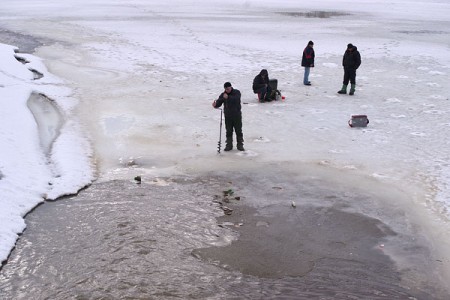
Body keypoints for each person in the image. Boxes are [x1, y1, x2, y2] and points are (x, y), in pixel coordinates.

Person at [212, 82, 245, 151]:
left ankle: (240, 145)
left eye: (228, 88)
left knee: (238, 130)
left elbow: (236, 99)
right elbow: (219, 101)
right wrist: (215, 104)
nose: (227, 90)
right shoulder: (223, 94)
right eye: (226, 89)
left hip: (237, 115)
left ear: (231, 87)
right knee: (229, 131)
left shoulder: (236, 92)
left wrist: (228, 97)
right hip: (228, 116)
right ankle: (229, 145)